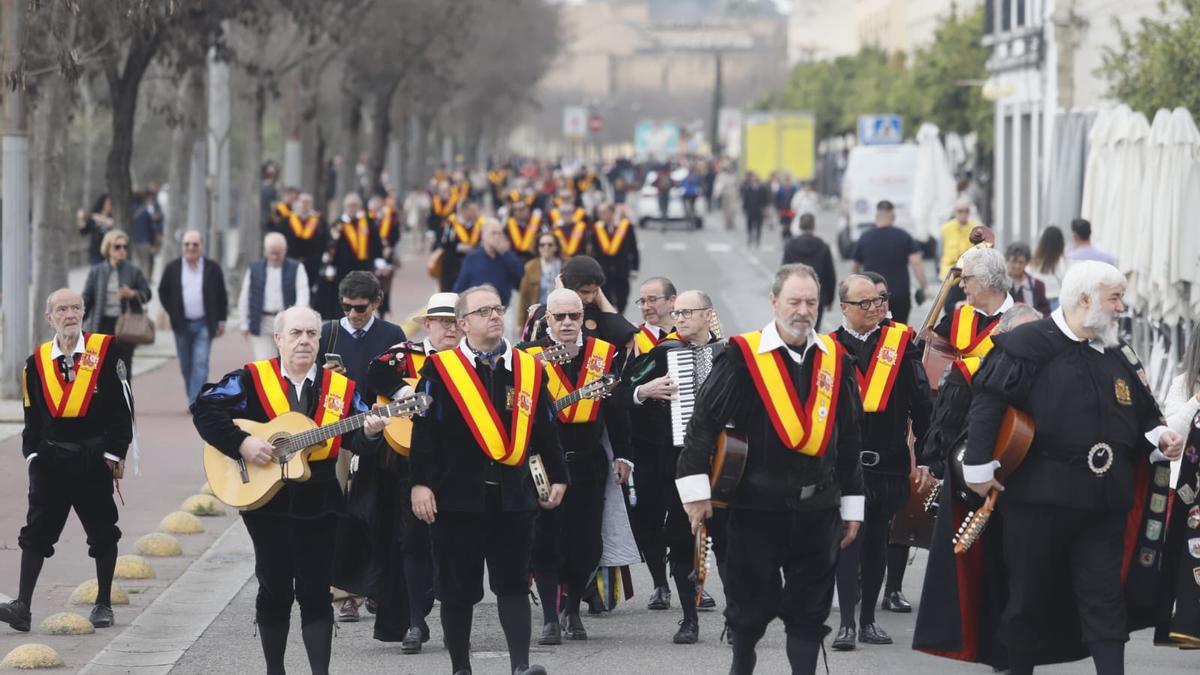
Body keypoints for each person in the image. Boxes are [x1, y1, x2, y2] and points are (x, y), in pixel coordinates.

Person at [961, 261, 1184, 673]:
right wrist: (977, 467)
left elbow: (1143, 415)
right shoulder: (1027, 344)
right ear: (1085, 299)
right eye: (1114, 298)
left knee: (1105, 599)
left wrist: (1159, 437)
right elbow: (988, 402)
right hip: (1038, 499)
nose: (1121, 308)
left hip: (1103, 502)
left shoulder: (1118, 353)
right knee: (1026, 597)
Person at [677, 264, 864, 675]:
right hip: (755, 510)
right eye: (794, 301)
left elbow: (849, 439)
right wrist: (696, 494)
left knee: (810, 612)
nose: (802, 311)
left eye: (811, 302)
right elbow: (702, 425)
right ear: (774, 301)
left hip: (818, 511)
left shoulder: (837, 362)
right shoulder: (742, 358)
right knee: (749, 611)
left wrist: (852, 506)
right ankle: (742, 663)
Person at [192, 307, 389, 675]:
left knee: (316, 591)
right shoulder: (251, 379)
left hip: (323, 499)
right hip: (268, 503)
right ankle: (275, 670)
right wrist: (242, 443)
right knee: (275, 586)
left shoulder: (340, 389)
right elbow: (204, 410)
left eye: (312, 334)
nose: (304, 341)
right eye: (296, 333)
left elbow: (356, 441)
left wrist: (372, 433)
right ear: (278, 338)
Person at [409, 284, 566, 675]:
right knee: (458, 591)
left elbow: (546, 427)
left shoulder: (527, 368)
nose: (494, 316)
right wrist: (420, 483)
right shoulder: (441, 370)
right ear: (462, 323)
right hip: (457, 499)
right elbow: (423, 431)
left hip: (513, 498)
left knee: (512, 584)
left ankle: (520, 666)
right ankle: (461, 667)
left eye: (497, 309)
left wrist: (558, 475)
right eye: (483, 312)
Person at [910, 303, 1043, 666]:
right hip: (979, 483)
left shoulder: (1049, 377)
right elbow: (946, 427)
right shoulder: (971, 372)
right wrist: (941, 465)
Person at [0, 290, 133, 633]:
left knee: (103, 532)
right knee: (36, 533)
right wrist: (33, 457)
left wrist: (111, 456)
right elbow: (31, 418)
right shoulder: (36, 362)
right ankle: (23, 607)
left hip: (93, 459)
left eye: (76, 307)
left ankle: (103, 602)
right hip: (50, 461)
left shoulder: (105, 352)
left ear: (84, 313)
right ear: (50, 319)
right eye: (62, 309)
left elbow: (122, 412)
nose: (70, 314)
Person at [522, 289, 632, 645]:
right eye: (559, 317)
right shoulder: (528, 356)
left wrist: (623, 454)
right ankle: (551, 619)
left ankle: (572, 608)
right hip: (544, 464)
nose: (567, 323)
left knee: (587, 543)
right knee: (545, 539)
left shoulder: (603, 352)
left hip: (588, 461)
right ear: (547, 319)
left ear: (583, 315)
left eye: (574, 316)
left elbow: (617, 409)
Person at [829, 275, 933, 650]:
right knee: (846, 541)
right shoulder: (827, 348)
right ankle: (845, 623)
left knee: (876, 543)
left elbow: (922, 403)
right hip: (843, 466)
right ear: (844, 308)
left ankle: (869, 620)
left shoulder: (900, 345)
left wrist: (925, 455)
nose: (875, 308)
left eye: (879, 301)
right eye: (865, 303)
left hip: (887, 463)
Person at [365, 292, 461, 652]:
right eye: (442, 322)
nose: (449, 328)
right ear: (428, 325)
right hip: (411, 463)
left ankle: (455, 617)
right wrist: (404, 391)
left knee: (456, 541)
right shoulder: (408, 355)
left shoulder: (475, 358)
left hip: (460, 463)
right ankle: (414, 622)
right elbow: (375, 370)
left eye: (455, 321)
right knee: (412, 541)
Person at [627, 289, 724, 644]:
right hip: (680, 461)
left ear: (708, 315)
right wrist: (644, 390)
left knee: (727, 539)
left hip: (726, 460)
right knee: (682, 538)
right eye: (677, 313)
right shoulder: (665, 352)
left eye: (687, 313)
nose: (679, 319)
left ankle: (736, 615)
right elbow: (625, 387)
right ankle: (688, 618)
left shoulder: (729, 355)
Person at [624, 277, 677, 612]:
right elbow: (618, 388)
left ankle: (691, 579)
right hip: (645, 441)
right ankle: (660, 582)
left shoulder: (698, 338)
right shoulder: (632, 340)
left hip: (685, 443)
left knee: (687, 515)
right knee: (648, 514)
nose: (646, 307)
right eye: (641, 301)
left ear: (672, 302)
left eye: (653, 299)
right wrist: (641, 392)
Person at [157, 230, 228, 404]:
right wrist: (173, 311)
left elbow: (221, 295)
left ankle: (195, 401)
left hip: (205, 323)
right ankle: (193, 392)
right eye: (187, 244)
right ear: (182, 247)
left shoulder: (212, 268)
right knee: (186, 364)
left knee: (201, 362)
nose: (191, 248)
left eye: (195, 244)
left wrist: (221, 320)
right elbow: (162, 291)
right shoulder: (173, 268)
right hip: (181, 324)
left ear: (202, 246)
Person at [82, 229, 152, 378]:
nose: (122, 250)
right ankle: (105, 401)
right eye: (117, 247)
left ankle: (124, 400)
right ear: (108, 248)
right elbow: (87, 298)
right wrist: (78, 321)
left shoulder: (134, 271)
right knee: (100, 370)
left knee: (124, 370)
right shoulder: (96, 271)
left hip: (125, 327)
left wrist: (132, 294)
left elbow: (147, 294)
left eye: (125, 247)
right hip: (101, 325)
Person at [850, 201, 928, 324]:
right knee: (899, 332)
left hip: (873, 296)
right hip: (900, 295)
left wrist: (856, 290)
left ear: (876, 217)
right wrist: (923, 287)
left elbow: (855, 267)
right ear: (893, 217)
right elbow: (916, 262)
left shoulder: (865, 238)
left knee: (873, 331)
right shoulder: (904, 236)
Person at [239, 232, 311, 361]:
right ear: (265, 251)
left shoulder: (297, 268)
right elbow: (245, 296)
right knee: (265, 362)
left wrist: (297, 316)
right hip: (262, 321)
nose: (274, 257)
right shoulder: (254, 268)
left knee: (289, 361)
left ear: (285, 251)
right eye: (271, 253)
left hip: (287, 322)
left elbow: (303, 293)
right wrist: (243, 322)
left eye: (278, 253)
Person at [931, 247, 1013, 356]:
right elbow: (928, 349)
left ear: (985, 280)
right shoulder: (958, 317)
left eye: (965, 279)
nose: (960, 285)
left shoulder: (1019, 322)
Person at [781, 213, 836, 330]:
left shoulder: (790, 245)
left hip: (794, 295)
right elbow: (830, 275)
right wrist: (830, 299)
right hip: (816, 295)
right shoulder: (823, 246)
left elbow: (783, 273)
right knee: (814, 330)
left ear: (799, 226)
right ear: (813, 226)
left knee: (794, 330)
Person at [272, 192, 327, 302]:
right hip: (291, 259)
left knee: (309, 287)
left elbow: (325, 240)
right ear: (297, 203)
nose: (305, 205)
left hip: (312, 261)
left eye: (308, 202)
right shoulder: (287, 220)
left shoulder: (319, 221)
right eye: (303, 201)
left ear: (312, 204)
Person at [589, 203, 639, 314]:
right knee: (606, 298)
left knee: (622, 297)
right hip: (603, 270)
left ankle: (620, 314)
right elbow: (593, 252)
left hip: (621, 269)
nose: (601, 216)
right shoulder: (596, 228)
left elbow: (633, 249)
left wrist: (634, 268)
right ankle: (612, 320)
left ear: (612, 213)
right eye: (600, 213)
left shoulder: (625, 226)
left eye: (604, 213)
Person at [437, 200, 485, 293]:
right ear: (464, 210)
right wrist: (459, 247)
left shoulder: (478, 223)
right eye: (473, 211)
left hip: (472, 263)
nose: (476, 213)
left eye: (476, 210)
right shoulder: (451, 222)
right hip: (453, 264)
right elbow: (444, 242)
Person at [517, 232, 562, 325]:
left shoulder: (565, 264)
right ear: (538, 248)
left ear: (556, 247)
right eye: (542, 245)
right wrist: (520, 323)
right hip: (539, 314)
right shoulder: (530, 266)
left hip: (561, 313)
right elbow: (524, 297)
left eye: (550, 245)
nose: (546, 247)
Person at [939, 198, 984, 280]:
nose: (963, 214)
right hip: (949, 274)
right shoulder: (945, 228)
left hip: (969, 275)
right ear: (955, 212)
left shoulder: (976, 229)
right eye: (960, 211)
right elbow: (939, 252)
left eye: (966, 211)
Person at [1005, 242, 1051, 317]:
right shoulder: (999, 284)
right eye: (1013, 261)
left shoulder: (1037, 285)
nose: (1017, 266)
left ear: (1027, 263)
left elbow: (1045, 311)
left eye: (1020, 262)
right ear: (1007, 260)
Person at [1026, 225, 1066, 310]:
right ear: (1061, 243)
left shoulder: (1033, 262)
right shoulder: (1063, 262)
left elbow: (1027, 278)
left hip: (1037, 302)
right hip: (1058, 303)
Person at [130, 187, 163, 278]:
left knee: (135, 264)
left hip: (132, 242)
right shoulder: (145, 212)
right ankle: (144, 284)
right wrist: (153, 244)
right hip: (145, 242)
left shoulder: (129, 211)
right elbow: (151, 229)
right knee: (145, 265)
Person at [78, 194, 114, 265]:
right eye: (108, 203)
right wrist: (80, 219)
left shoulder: (113, 217)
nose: (109, 205)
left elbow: (113, 223)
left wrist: (102, 219)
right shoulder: (93, 218)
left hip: (110, 252)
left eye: (111, 203)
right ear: (102, 203)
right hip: (96, 252)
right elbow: (83, 231)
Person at [740, 172, 770, 247]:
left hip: (759, 210)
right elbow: (745, 199)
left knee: (759, 225)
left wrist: (765, 208)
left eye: (755, 179)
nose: (754, 180)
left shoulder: (762, 188)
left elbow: (765, 199)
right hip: (750, 209)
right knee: (749, 224)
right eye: (753, 179)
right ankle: (750, 237)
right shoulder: (748, 188)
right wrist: (744, 208)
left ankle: (758, 239)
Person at [774, 173, 797, 241]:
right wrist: (778, 208)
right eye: (786, 180)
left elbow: (796, 199)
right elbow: (777, 199)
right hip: (783, 210)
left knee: (790, 225)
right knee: (784, 225)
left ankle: (790, 237)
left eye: (788, 180)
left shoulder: (793, 189)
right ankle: (784, 237)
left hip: (791, 210)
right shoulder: (781, 189)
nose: (787, 182)